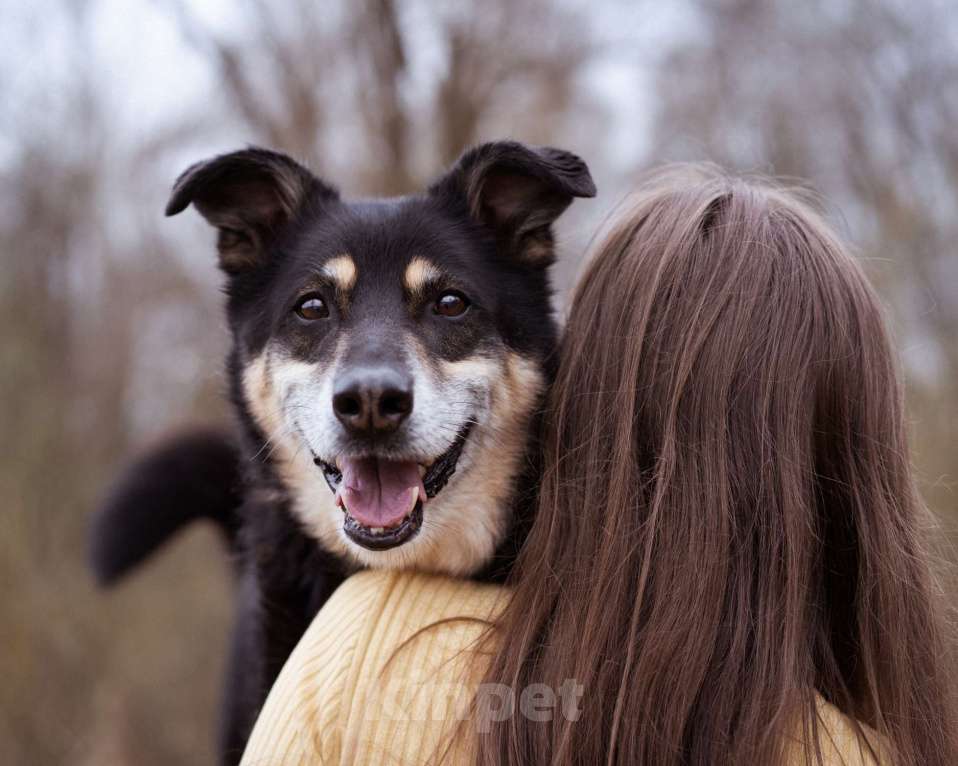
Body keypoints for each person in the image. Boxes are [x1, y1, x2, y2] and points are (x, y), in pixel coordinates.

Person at [240, 165, 957, 765]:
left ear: (587, 398)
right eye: (313, 310)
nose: (370, 385)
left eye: (448, 304)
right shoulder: (876, 748)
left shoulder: (366, 655)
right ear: (866, 467)